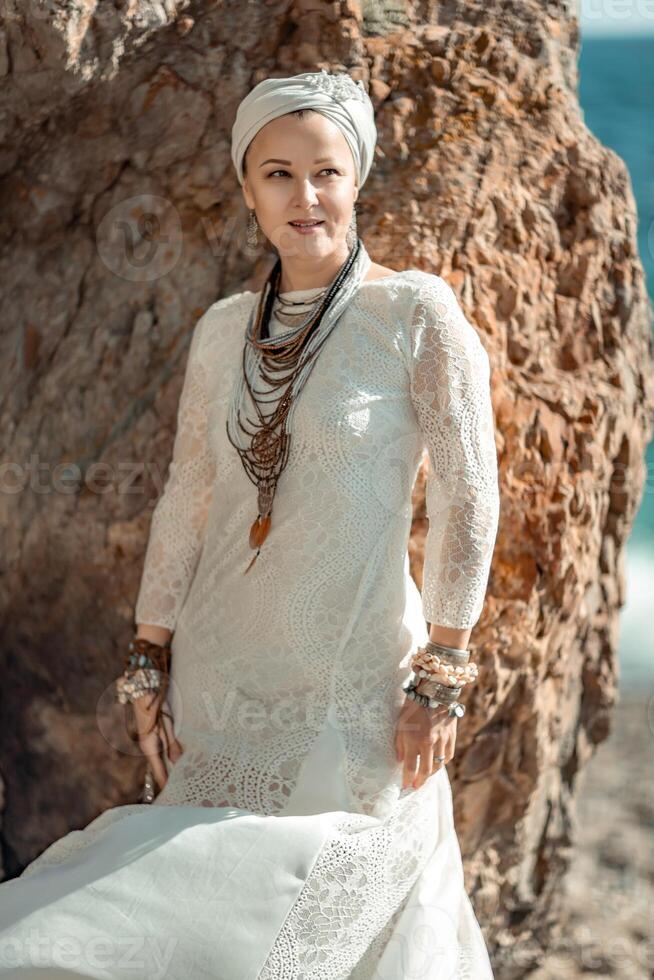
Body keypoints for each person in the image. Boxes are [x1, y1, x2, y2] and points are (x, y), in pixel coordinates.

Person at [0, 69, 500, 979]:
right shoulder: (223, 328)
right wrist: (148, 657)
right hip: (220, 674)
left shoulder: (414, 312)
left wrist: (443, 676)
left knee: (340, 916)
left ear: (358, 178)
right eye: (277, 173)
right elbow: (188, 496)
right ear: (246, 188)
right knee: (194, 922)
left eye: (326, 172)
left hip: (356, 685)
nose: (305, 196)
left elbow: (473, 496)